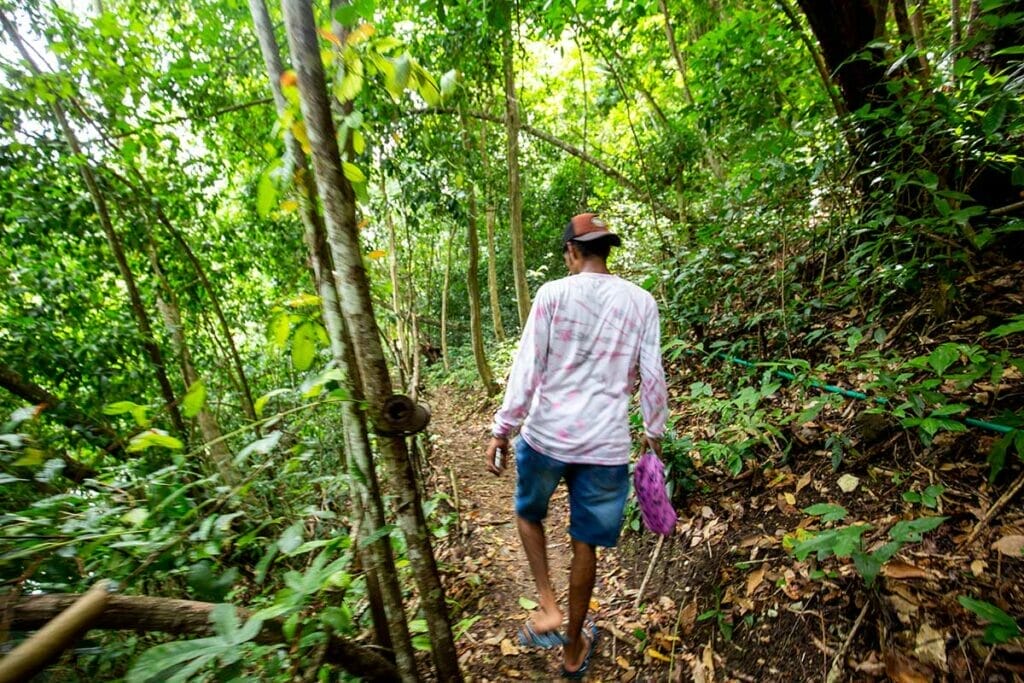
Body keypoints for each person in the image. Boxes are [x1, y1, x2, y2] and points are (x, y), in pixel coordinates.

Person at [485, 213, 668, 679]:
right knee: (585, 542)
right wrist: (653, 435)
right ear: (605, 251)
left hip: (546, 435)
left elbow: (528, 368)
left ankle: (548, 607)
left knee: (529, 513)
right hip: (605, 445)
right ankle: (572, 649)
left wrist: (502, 428)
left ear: (571, 252)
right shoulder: (641, 302)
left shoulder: (552, 294)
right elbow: (653, 377)